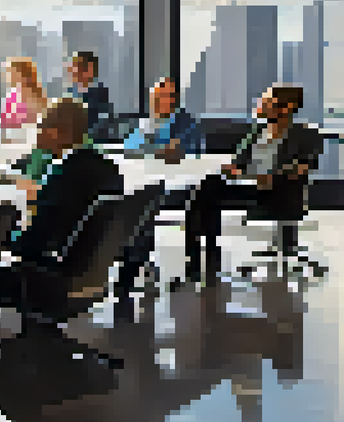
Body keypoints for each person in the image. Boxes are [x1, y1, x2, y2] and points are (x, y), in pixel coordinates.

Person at [184, 84, 324, 281]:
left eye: (267, 101)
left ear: (286, 107)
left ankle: (206, 259)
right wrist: (233, 170)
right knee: (207, 189)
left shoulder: (305, 134)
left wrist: (273, 176)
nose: (261, 104)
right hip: (249, 188)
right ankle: (199, 257)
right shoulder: (257, 132)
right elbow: (239, 162)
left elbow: (303, 167)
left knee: (209, 193)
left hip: (281, 193)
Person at [8, 97, 124, 267]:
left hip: (54, 275)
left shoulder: (61, 174)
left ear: (59, 132)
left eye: (42, 126)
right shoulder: (109, 169)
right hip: (92, 269)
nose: (38, 133)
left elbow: (29, 244)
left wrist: (4, 231)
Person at [123, 77, 203, 161]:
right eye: (156, 97)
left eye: (166, 96)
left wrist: (177, 148)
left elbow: (196, 148)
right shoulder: (148, 122)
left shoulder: (185, 121)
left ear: (174, 99)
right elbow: (128, 148)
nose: (159, 101)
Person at [66, 51, 116, 141]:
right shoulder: (70, 92)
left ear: (89, 69)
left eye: (76, 66)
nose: (73, 70)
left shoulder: (100, 93)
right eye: (72, 66)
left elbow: (104, 123)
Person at [1, 57, 48, 130]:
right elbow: (4, 120)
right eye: (8, 72)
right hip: (10, 133)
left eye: (12, 72)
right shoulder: (12, 94)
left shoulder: (35, 94)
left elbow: (39, 121)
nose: (9, 75)